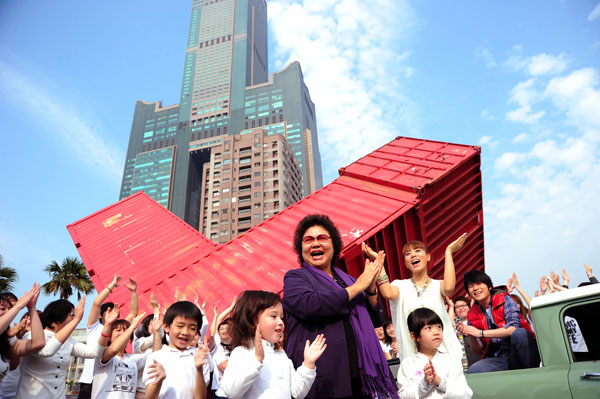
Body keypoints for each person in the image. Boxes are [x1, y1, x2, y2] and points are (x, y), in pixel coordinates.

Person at [283, 214, 398, 399]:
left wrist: (369, 290)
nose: (315, 244)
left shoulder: (348, 280)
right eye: (308, 240)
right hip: (322, 378)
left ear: (334, 245)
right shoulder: (295, 278)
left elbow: (375, 319)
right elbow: (310, 305)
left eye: (322, 238)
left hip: (360, 378)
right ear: (300, 248)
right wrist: (358, 287)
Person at [372, 234, 467, 362]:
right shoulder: (399, 286)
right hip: (413, 358)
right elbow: (387, 294)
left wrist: (448, 252)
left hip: (444, 354)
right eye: (407, 254)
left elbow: (449, 288)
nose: (413, 255)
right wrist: (379, 264)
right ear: (406, 264)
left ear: (428, 257)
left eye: (417, 251)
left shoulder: (438, 285)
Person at [220, 290, 326, 399]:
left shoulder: (281, 355)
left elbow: (297, 393)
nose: (280, 322)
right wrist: (257, 360)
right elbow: (231, 392)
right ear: (253, 320)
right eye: (273, 316)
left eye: (281, 317)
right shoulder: (242, 352)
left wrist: (308, 364)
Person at [17, 296, 106, 398]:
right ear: (59, 317)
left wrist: (107, 326)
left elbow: (94, 352)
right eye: (72, 315)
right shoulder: (32, 336)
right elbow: (46, 351)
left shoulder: (68, 341)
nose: (73, 319)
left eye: (74, 316)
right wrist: (77, 319)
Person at [457, 270, 539, 374]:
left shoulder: (505, 299)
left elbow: (513, 328)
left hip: (518, 352)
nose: (475, 288)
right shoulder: (472, 313)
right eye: (471, 286)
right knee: (474, 370)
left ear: (489, 286)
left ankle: (533, 374)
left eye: (478, 283)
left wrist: (480, 333)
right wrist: (470, 333)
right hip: (498, 358)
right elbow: (478, 351)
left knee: (520, 333)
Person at [79, 274, 138, 399]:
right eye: (109, 311)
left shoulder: (117, 329)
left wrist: (133, 292)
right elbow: (96, 304)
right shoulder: (94, 327)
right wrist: (111, 286)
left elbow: (132, 313)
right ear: (101, 315)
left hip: (109, 380)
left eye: (115, 312)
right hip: (89, 381)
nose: (113, 314)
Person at [397, 308, 472, 399]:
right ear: (414, 336)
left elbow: (466, 394)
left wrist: (441, 383)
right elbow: (402, 395)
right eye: (428, 328)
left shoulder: (451, 360)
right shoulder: (408, 364)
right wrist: (424, 385)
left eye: (439, 327)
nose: (436, 332)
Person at [142, 301, 210, 399]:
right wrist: (159, 381)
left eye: (192, 328)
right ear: (166, 327)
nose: (185, 332)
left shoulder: (199, 358)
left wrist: (199, 370)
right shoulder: (156, 357)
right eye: (180, 326)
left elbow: (200, 397)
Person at [91, 310, 151, 398]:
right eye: (118, 330)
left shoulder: (133, 359)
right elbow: (113, 350)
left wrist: (157, 332)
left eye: (126, 331)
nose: (123, 333)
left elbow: (155, 355)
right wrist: (131, 327)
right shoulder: (102, 354)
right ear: (109, 337)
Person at [446, 296, 478, 372]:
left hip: (477, 358)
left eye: (463, 305)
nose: (460, 308)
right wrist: (451, 306)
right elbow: (449, 326)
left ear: (469, 306)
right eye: (457, 307)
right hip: (463, 361)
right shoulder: (457, 323)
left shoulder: (477, 320)